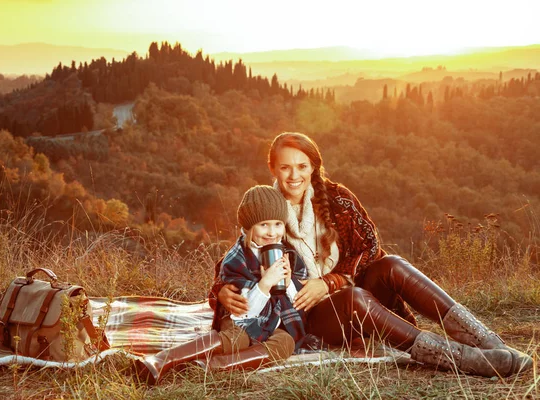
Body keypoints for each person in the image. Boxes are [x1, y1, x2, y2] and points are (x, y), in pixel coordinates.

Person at [212, 132, 534, 378]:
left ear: (313, 167)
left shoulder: (337, 198)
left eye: (302, 166)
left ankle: (486, 341)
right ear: (273, 168)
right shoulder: (265, 209)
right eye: (285, 167)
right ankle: (457, 358)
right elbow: (235, 262)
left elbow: (369, 247)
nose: (294, 175)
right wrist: (223, 293)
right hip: (306, 316)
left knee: (391, 264)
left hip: (339, 291)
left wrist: (332, 280)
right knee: (354, 298)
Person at [136, 185, 312, 385]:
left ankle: (213, 366)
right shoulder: (237, 259)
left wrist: (288, 284)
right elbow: (244, 312)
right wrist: (265, 284)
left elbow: (298, 301)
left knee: (285, 343)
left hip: (272, 322)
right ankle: (161, 360)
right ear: (248, 228)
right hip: (239, 321)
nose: (272, 232)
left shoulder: (288, 254)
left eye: (278, 224)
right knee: (238, 338)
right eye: (264, 225)